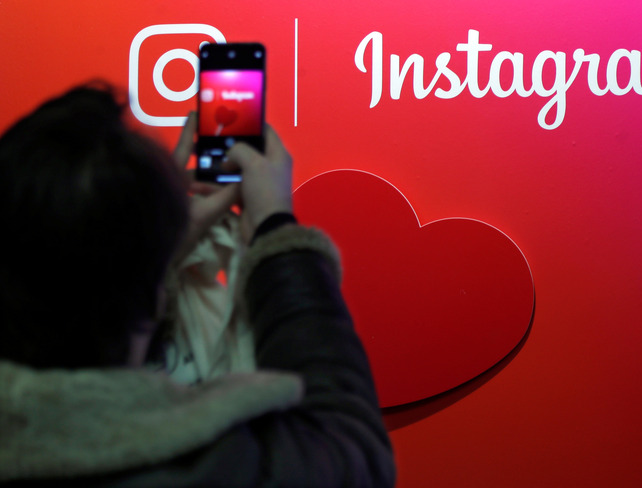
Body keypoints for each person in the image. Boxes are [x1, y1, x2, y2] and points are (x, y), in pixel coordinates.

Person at [0, 83, 395, 487]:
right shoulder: (225, 468)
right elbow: (350, 446)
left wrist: (157, 249)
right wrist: (275, 228)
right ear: (154, 300)